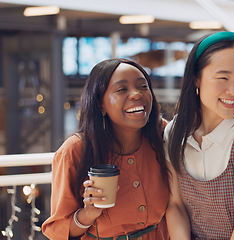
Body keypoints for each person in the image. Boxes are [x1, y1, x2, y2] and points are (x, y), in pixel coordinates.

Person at [164, 31, 234, 239]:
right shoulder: (175, 131)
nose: (233, 91)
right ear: (196, 79)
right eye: (223, 77)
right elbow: (175, 205)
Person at [42, 58, 170, 239]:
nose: (136, 94)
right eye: (122, 89)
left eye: (143, 86)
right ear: (100, 103)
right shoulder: (75, 150)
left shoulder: (162, 134)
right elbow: (58, 232)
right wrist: (88, 214)